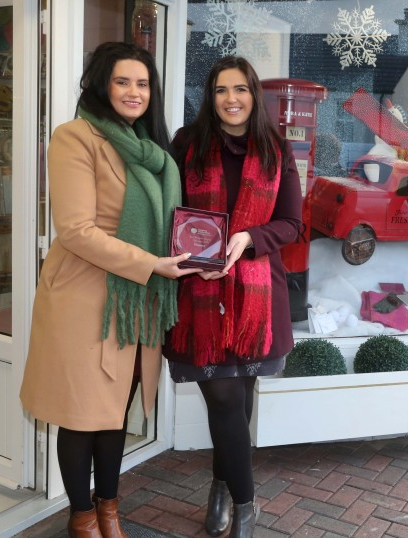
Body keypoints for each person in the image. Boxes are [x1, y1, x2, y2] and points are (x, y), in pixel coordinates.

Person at [20, 42, 201, 537]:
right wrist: (153, 264)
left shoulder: (151, 148)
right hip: (85, 299)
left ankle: (109, 509)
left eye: (142, 83)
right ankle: (82, 518)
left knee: (114, 410)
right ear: (103, 84)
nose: (133, 92)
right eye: (123, 81)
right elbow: (76, 231)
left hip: (134, 301)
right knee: (81, 414)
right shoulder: (75, 138)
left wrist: (195, 256)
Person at [164, 56, 303, 538]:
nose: (231, 99)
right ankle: (246, 505)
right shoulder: (187, 144)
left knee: (239, 398)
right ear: (211, 96)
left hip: (256, 299)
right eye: (221, 90)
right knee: (223, 396)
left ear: (254, 95)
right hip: (198, 295)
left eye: (240, 89)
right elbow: (168, 207)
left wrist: (247, 239)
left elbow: (291, 223)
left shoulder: (275, 150)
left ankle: (223, 485)